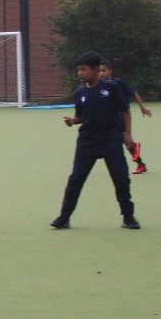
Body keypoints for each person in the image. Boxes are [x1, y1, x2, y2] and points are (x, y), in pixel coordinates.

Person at [51, 51, 139, 230]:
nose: (79, 74)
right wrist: (72, 121)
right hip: (87, 142)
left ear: (95, 69)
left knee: (121, 178)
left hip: (111, 140)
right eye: (78, 70)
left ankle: (128, 217)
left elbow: (125, 110)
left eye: (83, 70)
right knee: (75, 179)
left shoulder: (112, 88)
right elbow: (80, 117)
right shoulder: (79, 93)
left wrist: (127, 134)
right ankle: (64, 217)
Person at [99, 59, 149, 174]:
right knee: (120, 139)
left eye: (104, 70)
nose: (101, 73)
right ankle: (140, 163)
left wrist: (142, 107)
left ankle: (136, 156)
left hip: (120, 116)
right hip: (109, 117)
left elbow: (133, 92)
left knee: (122, 137)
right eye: (99, 71)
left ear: (110, 71)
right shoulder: (100, 85)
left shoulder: (117, 83)